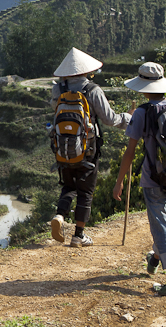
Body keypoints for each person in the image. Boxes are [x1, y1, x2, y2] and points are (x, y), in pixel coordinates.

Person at [112, 62, 166, 299]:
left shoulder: (143, 112)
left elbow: (130, 152)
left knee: (160, 225)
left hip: (153, 179)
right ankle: (155, 258)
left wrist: (119, 181)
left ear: (143, 87)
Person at [49, 48, 132, 247]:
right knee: (86, 190)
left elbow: (55, 110)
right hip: (88, 150)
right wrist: (129, 118)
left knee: (68, 185)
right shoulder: (93, 90)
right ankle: (79, 235)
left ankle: (60, 216)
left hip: (63, 148)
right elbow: (109, 119)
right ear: (87, 71)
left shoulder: (57, 89)